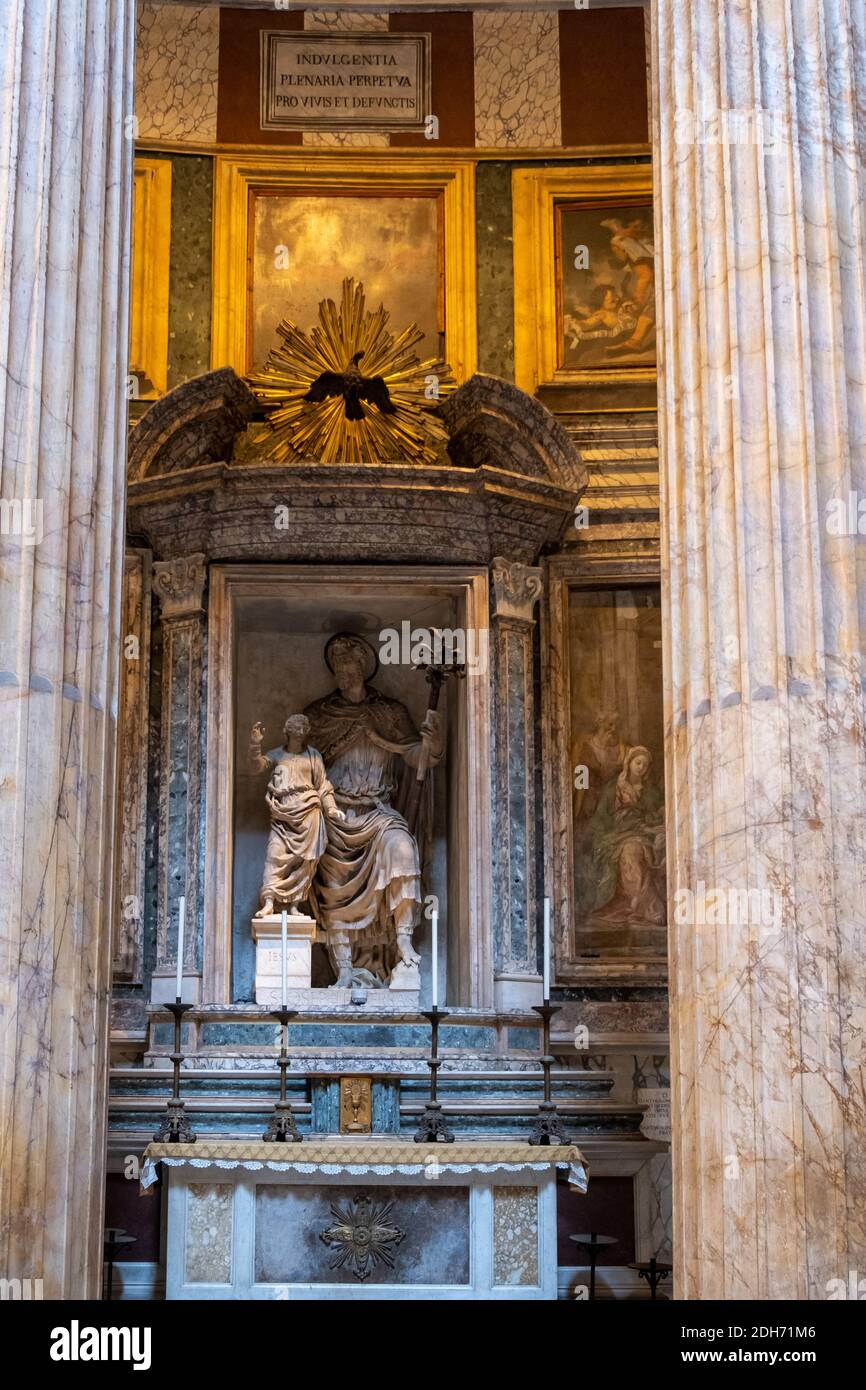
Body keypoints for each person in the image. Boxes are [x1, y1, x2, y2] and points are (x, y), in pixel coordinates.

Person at [303, 633, 443, 988]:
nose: (343, 674)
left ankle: (404, 941)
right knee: (332, 884)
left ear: (364, 668)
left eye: (349, 666)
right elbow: (301, 764)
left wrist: (432, 743)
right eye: (337, 667)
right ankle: (344, 968)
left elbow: (417, 757)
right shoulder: (320, 715)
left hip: (379, 812)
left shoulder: (389, 713)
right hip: (335, 817)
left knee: (402, 850)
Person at [248, 713, 345, 918]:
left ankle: (294, 905)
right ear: (288, 730)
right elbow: (255, 767)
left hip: (309, 814)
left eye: (304, 727)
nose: (301, 730)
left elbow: (323, 786)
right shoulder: (277, 755)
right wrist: (255, 745)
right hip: (283, 816)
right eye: (296, 727)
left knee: (304, 863)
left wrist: (331, 808)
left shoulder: (314, 756)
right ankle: (268, 901)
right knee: (274, 854)